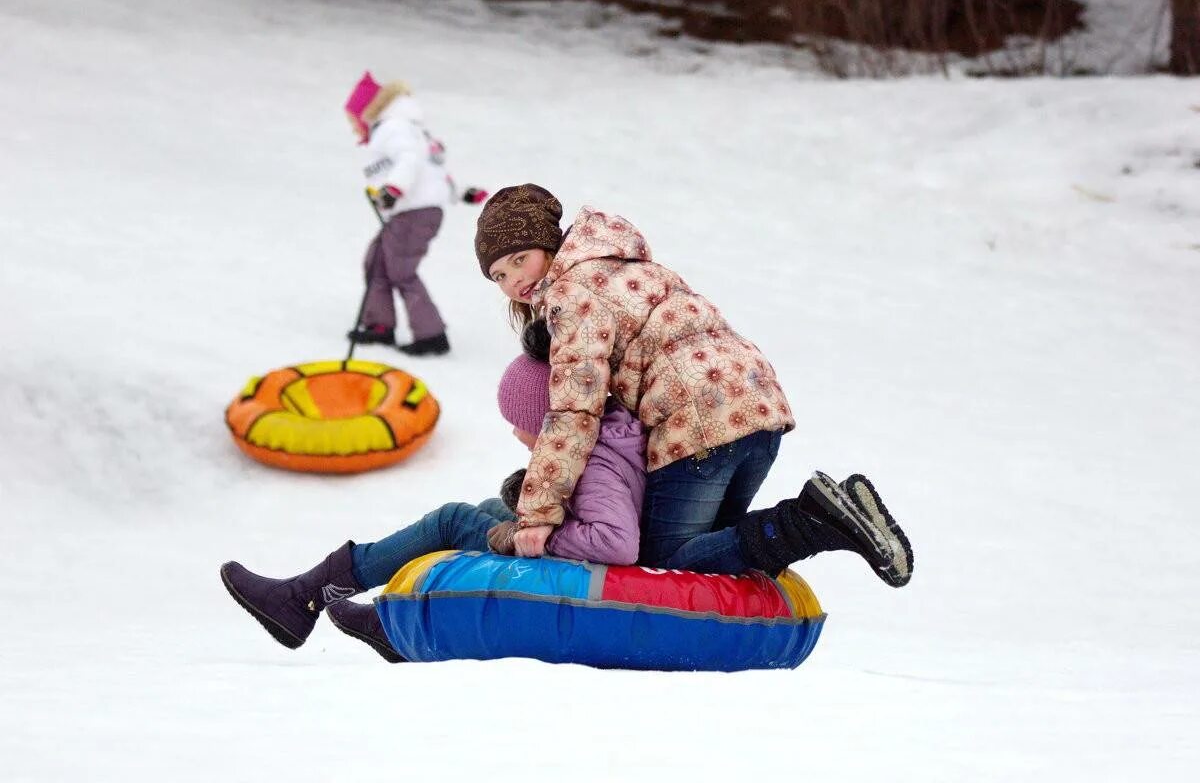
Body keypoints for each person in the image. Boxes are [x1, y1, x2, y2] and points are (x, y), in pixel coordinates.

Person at [475, 184, 914, 585]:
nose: (513, 279)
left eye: (519, 259)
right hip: (757, 406)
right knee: (718, 551)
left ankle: (815, 518)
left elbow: (575, 411)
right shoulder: (625, 265)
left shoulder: (571, 295)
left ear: (550, 244)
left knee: (665, 565)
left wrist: (536, 518)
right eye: (499, 275)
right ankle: (831, 514)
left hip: (696, 424)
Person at [219, 323, 646, 662]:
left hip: (584, 562)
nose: (516, 433)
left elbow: (616, 542)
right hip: (576, 539)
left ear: (553, 421)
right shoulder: (595, 433)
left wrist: (533, 537)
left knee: (454, 520)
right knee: (486, 509)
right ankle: (391, 626)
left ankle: (303, 598)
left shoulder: (597, 463)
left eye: (523, 423)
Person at [343, 71, 483, 356]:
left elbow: (410, 161)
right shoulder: (408, 129)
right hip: (416, 210)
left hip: (413, 213)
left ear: (366, 112)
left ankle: (431, 335)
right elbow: (432, 171)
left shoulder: (392, 128)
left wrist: (392, 190)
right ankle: (379, 325)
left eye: (354, 121)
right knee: (377, 261)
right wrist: (460, 192)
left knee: (401, 271)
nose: (354, 129)